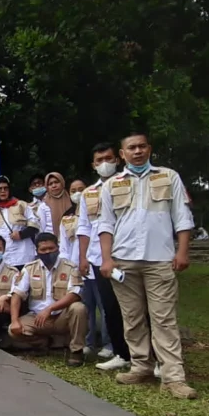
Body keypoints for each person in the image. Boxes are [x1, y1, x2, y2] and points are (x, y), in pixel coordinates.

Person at [99, 132, 197, 399]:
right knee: (132, 318)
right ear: (122, 154)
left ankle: (173, 377)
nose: (137, 151)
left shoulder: (168, 176)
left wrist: (182, 252)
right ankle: (141, 366)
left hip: (160, 259)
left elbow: (182, 216)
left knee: (164, 319)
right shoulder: (111, 185)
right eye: (131, 147)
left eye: (142, 146)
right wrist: (107, 259)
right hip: (124, 261)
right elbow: (105, 224)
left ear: (149, 149)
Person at [78, 142, 133, 371]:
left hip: (127, 255)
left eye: (108, 158)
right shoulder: (89, 193)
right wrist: (83, 258)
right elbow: (83, 227)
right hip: (99, 260)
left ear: (118, 159)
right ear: (93, 165)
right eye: (99, 160)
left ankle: (149, 355)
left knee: (135, 308)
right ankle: (122, 353)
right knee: (109, 308)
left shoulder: (130, 184)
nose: (104, 164)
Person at [9, 233, 88, 366]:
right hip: (38, 318)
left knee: (79, 308)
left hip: (62, 317)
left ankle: (76, 351)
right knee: (13, 330)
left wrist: (50, 308)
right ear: (37, 251)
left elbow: (75, 294)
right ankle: (42, 343)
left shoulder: (71, 267)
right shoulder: (29, 268)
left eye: (51, 248)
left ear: (58, 248)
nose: (48, 252)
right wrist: (14, 320)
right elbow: (17, 295)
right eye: (43, 250)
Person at [61, 178, 113, 359]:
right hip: (76, 270)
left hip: (97, 265)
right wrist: (68, 268)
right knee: (86, 307)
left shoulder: (98, 213)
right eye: (73, 190)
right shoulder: (67, 219)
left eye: (81, 189)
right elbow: (64, 248)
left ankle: (108, 344)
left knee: (104, 306)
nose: (78, 193)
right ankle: (88, 343)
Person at [0, 177, 38, 269]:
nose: (3, 191)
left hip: (23, 255)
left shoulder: (21, 204)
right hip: (3, 257)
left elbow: (35, 225)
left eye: (6, 188)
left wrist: (21, 234)